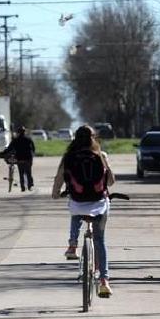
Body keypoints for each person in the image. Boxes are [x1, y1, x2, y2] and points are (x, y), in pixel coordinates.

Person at [52, 125, 116, 298]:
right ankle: (104, 281)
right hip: (99, 203)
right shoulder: (100, 156)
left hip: (78, 202)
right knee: (100, 240)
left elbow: (59, 178)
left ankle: (72, 244)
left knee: (74, 207)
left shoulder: (69, 157)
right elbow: (110, 182)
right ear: (93, 138)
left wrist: (56, 194)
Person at [0, 126, 37, 191]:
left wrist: (1, 154)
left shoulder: (15, 140)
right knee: (28, 172)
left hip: (20, 159)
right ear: (24, 132)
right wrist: (32, 154)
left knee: (21, 173)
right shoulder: (29, 139)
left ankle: (22, 187)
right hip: (28, 158)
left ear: (18, 132)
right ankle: (30, 186)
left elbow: (9, 149)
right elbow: (33, 149)